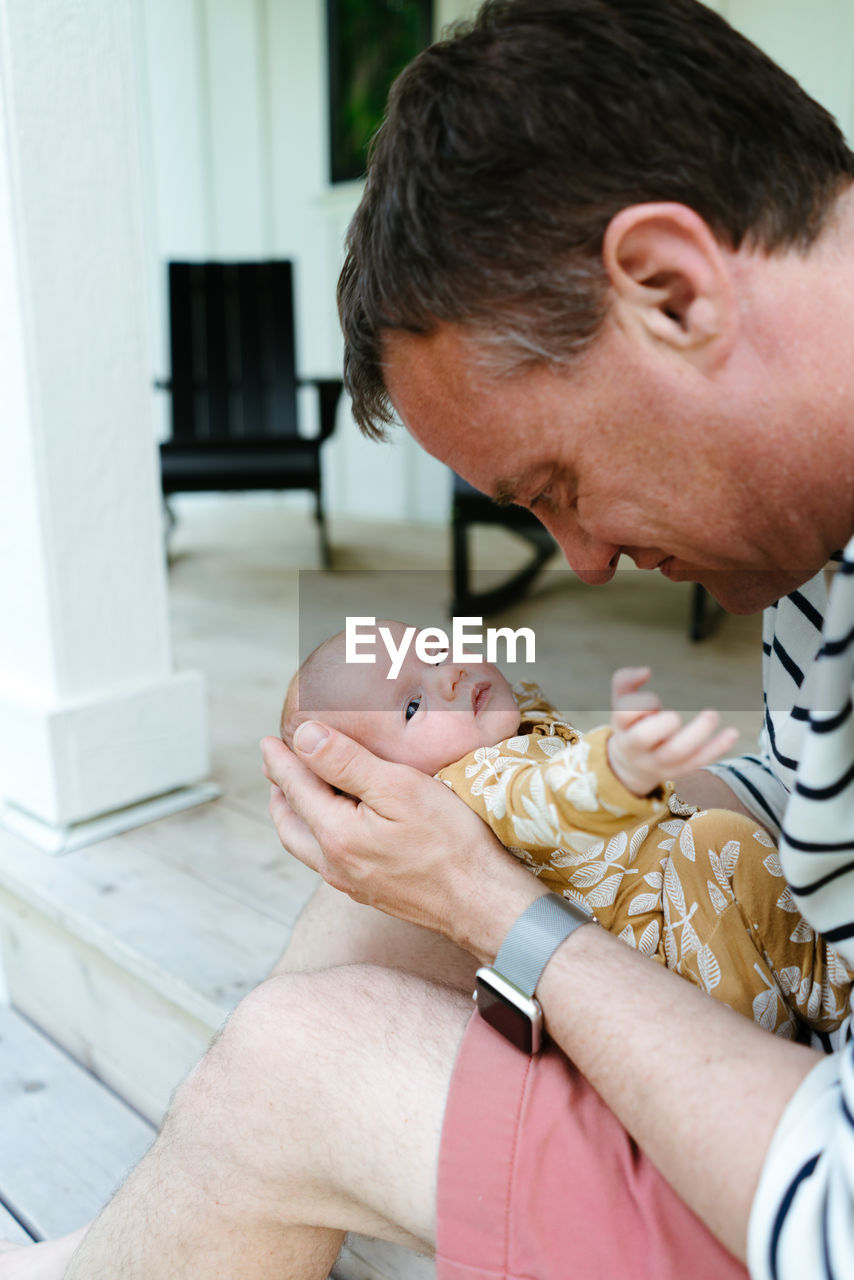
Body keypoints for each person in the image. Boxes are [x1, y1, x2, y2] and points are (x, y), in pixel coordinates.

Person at [3, 1, 854, 1277]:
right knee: (401, 876)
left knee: (300, 1060)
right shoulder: (818, 534)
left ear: (670, 287)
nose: (577, 559)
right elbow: (809, 798)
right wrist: (559, 813)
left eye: (555, 478)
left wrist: (503, 908)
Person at [282, 623, 852, 1037]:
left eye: (435, 651)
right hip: (663, 946)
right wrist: (618, 769)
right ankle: (811, 1010)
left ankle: (817, 983)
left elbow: (532, 717)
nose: (450, 674)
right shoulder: (472, 786)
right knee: (721, 839)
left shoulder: (492, 734)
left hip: (678, 896)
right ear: (390, 783)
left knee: (726, 850)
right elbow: (544, 800)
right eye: (411, 706)